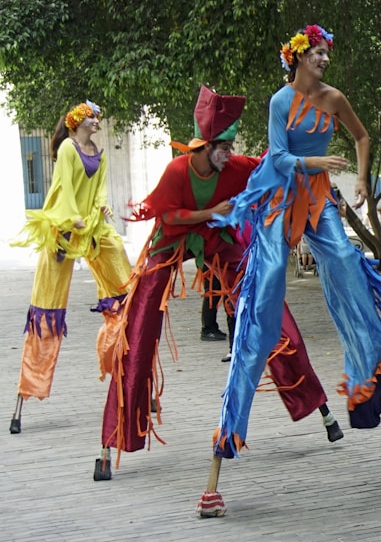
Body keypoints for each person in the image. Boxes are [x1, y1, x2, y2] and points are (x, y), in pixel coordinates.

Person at [198, 24, 381, 517]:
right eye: (317, 52)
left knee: (343, 261)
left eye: (326, 53)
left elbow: (361, 136)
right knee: (266, 296)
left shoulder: (334, 97)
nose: (324, 59)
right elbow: (276, 155)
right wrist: (315, 158)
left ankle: (368, 370)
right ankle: (229, 426)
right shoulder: (280, 102)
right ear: (297, 58)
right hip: (279, 199)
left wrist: (359, 178)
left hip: (317, 200)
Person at [94, 86, 342, 480]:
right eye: (223, 145)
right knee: (139, 326)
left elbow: (271, 164)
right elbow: (170, 216)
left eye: (230, 145)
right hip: (174, 238)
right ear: (204, 145)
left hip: (219, 239)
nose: (229, 152)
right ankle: (113, 437)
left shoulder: (236, 167)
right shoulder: (178, 171)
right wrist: (210, 210)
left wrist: (306, 154)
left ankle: (315, 403)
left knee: (267, 302)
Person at [9, 100, 131, 434]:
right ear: (77, 121)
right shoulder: (67, 147)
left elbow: (100, 191)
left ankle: (128, 372)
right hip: (63, 228)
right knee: (45, 310)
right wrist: (70, 218)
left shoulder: (100, 153)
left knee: (127, 293)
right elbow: (62, 187)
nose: (97, 121)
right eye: (92, 117)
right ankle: (26, 390)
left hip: (92, 227)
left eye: (98, 118)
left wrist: (101, 210)